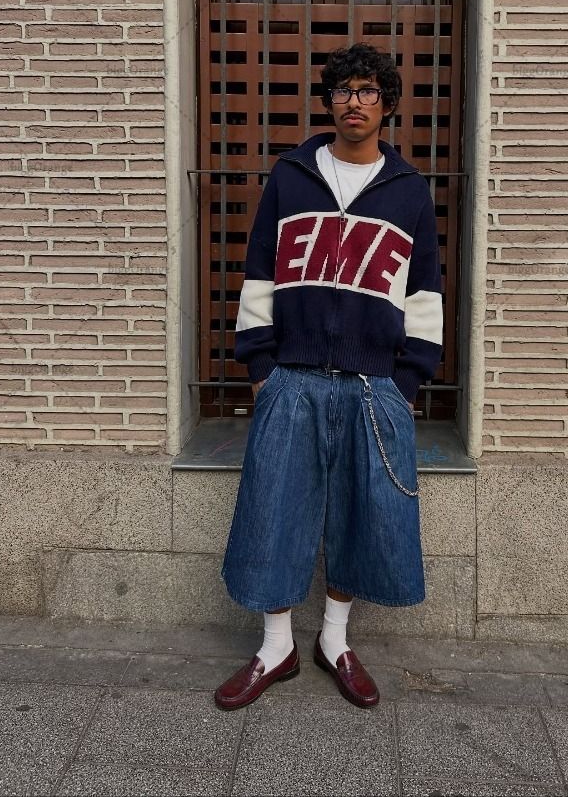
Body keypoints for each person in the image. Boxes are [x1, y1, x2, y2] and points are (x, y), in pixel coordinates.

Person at [213, 42, 443, 711]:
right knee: (274, 509)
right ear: (329, 102)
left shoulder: (409, 191)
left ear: (386, 104)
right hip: (292, 376)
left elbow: (425, 291)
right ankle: (275, 646)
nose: (353, 102)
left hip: (375, 385)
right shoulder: (290, 178)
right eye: (343, 90)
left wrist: (408, 380)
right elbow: (260, 270)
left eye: (367, 91)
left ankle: (334, 639)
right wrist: (261, 366)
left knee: (361, 514)